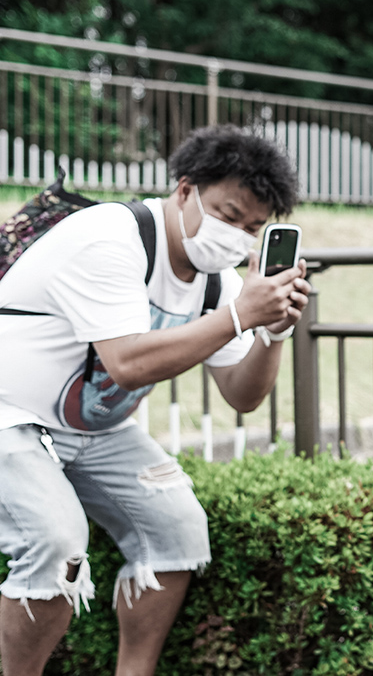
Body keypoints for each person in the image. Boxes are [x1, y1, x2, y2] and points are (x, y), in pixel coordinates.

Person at [0, 124, 311, 676]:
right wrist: (240, 315)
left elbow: (242, 394)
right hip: (10, 415)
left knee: (176, 530)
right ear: (185, 190)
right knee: (56, 541)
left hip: (97, 431)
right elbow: (128, 362)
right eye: (229, 214)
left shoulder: (216, 282)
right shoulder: (112, 236)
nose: (238, 237)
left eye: (254, 228)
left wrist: (273, 331)